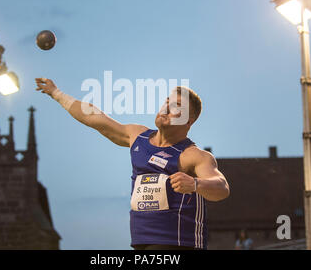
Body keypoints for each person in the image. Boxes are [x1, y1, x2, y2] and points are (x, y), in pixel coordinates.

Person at [35, 78, 230, 250]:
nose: (167, 107)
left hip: (178, 243)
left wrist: (196, 184)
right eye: (167, 102)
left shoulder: (192, 155)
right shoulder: (138, 137)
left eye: (177, 106)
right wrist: (57, 94)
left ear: (189, 120)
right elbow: (94, 118)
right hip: (141, 241)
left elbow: (222, 187)